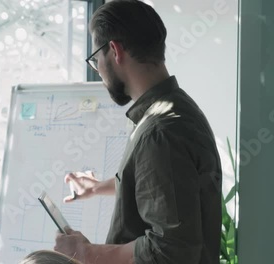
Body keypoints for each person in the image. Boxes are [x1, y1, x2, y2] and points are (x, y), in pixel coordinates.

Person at [53, 0, 222, 263]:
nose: (98, 70)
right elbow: (162, 189)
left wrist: (88, 253)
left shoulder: (160, 132)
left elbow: (170, 250)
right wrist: (101, 187)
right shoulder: (175, 108)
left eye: (96, 60)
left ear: (115, 50)